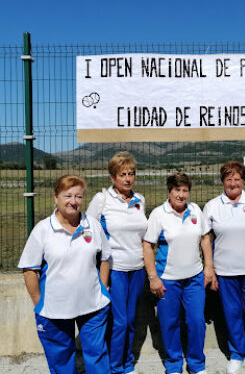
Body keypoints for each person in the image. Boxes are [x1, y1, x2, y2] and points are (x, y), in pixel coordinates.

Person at [18, 174, 111, 374]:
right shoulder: (43, 230)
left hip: (93, 305)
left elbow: (105, 257)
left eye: (78, 196)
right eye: (67, 195)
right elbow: (29, 269)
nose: (73, 201)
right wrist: (39, 303)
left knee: (97, 356)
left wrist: (103, 288)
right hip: (54, 310)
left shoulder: (92, 225)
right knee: (61, 361)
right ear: (56, 197)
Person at [142, 173, 215, 374]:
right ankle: (174, 364)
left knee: (196, 321)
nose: (181, 195)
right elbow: (147, 246)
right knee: (169, 323)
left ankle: (197, 364)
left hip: (194, 278)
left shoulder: (195, 210)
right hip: (167, 280)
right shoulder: (159, 214)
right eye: (177, 190)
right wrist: (153, 277)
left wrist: (208, 267)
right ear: (169, 191)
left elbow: (205, 239)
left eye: (185, 191)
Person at [202, 161, 245, 374]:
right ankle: (236, 354)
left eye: (237, 179)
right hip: (225, 272)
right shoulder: (212, 206)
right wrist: (210, 268)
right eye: (228, 179)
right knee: (232, 314)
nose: (233, 183)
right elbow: (205, 239)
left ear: (243, 180)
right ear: (222, 181)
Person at [87, 151, 147, 374]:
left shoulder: (140, 200)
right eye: (122, 174)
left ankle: (127, 363)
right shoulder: (101, 200)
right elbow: (90, 233)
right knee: (120, 322)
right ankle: (115, 366)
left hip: (138, 269)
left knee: (131, 320)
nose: (128, 179)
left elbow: (142, 235)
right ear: (112, 177)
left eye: (131, 173)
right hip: (115, 269)